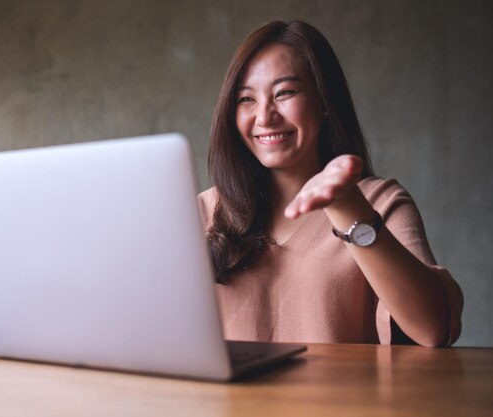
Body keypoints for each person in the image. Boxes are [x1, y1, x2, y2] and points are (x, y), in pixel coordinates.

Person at [198, 20, 463, 347]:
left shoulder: (380, 201)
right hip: (228, 400)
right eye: (246, 99)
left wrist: (345, 205)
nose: (265, 116)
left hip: (340, 400)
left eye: (284, 92)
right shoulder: (199, 213)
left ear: (324, 102)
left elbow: (433, 329)